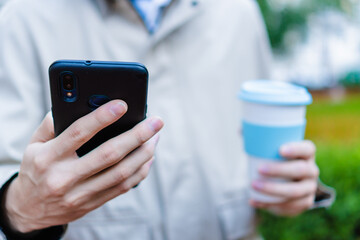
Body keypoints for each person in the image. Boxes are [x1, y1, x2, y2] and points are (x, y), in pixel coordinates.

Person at [0, 0, 334, 239]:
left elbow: (255, 145)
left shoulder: (239, 12)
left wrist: (292, 188)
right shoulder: (23, 16)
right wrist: (18, 209)